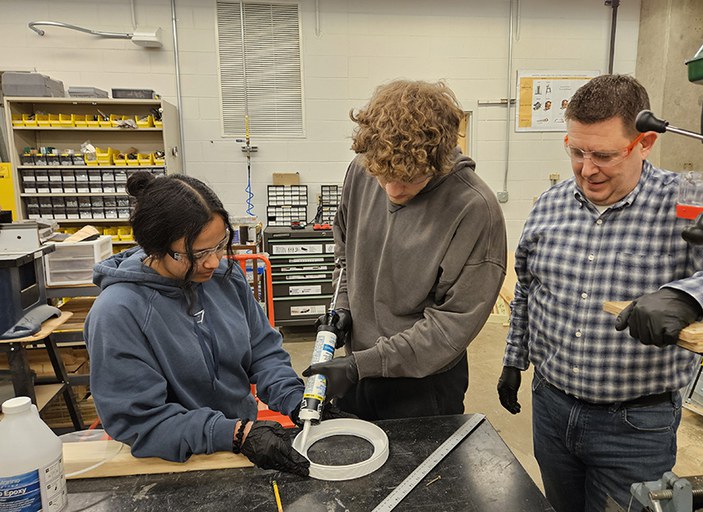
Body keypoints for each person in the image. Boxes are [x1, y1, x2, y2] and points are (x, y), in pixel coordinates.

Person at [497, 74, 703, 511]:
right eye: (576, 151)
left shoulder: (689, 205)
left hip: (635, 425)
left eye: (603, 155)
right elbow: (528, 289)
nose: (587, 169)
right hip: (551, 407)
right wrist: (514, 359)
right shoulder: (549, 204)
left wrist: (688, 297)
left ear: (644, 143)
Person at [303, 79, 507, 420]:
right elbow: (345, 254)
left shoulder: (474, 209)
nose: (394, 189)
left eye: (412, 178)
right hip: (357, 371)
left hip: (423, 385)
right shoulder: (362, 170)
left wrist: (360, 365)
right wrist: (342, 310)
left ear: (440, 160)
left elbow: (449, 329)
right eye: (383, 175)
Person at [85, 171, 310, 476]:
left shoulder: (225, 279)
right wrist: (234, 433)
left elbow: (263, 351)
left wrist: (295, 398)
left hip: (242, 450)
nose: (214, 262)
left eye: (220, 245)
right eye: (197, 254)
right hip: (166, 466)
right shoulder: (118, 312)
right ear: (156, 247)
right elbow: (138, 420)